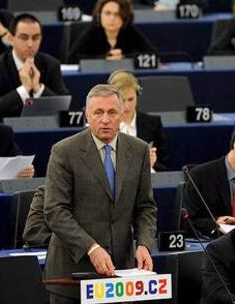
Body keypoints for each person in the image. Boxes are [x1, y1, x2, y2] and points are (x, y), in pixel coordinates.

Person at [43, 84, 157, 303]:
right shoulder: (64, 152)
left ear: (122, 114)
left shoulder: (139, 150)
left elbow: (145, 207)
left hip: (119, 274)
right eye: (98, 112)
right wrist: (91, 247)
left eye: (112, 112)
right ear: (87, 115)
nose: (105, 119)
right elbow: (55, 211)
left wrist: (144, 243)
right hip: (72, 274)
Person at [0, 13, 69, 117]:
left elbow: (65, 105)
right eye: (24, 38)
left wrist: (38, 88)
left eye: (36, 38)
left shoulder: (51, 64)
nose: (30, 44)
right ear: (11, 39)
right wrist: (24, 90)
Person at [108, 69, 168, 171]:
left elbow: (164, 166)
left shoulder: (153, 124)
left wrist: (151, 165)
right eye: (122, 100)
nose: (127, 106)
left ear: (137, 95)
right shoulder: (105, 125)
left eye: (131, 99)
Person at [67, 0, 156, 63]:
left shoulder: (129, 30)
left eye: (117, 14)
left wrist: (125, 58)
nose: (112, 18)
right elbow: (71, 58)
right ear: (99, 15)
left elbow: (152, 56)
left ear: (125, 18)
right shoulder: (93, 30)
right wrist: (104, 58)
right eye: (107, 13)